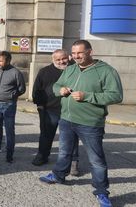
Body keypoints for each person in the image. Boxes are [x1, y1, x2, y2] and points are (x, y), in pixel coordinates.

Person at [39, 40, 123, 207]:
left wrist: (87, 96)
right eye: (74, 53)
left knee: (96, 160)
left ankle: (101, 191)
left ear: (90, 52)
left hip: (90, 123)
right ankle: (58, 175)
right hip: (67, 119)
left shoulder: (106, 71)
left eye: (80, 53)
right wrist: (60, 90)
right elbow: (57, 85)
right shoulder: (70, 69)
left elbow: (116, 96)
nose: (76, 56)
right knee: (64, 152)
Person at [32, 49, 80, 175]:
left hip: (70, 110)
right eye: (58, 60)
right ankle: (42, 156)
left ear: (68, 57)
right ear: (53, 60)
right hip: (49, 109)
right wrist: (40, 106)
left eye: (63, 58)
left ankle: (73, 162)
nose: (61, 62)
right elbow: (36, 90)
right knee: (46, 135)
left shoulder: (76, 70)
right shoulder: (44, 72)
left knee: (72, 138)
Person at [0, 51, 26, 163]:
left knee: (9, 130)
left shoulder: (15, 73)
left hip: (8, 105)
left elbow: (22, 89)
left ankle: (9, 153)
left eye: (1, 61)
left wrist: (12, 95)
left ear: (8, 61)